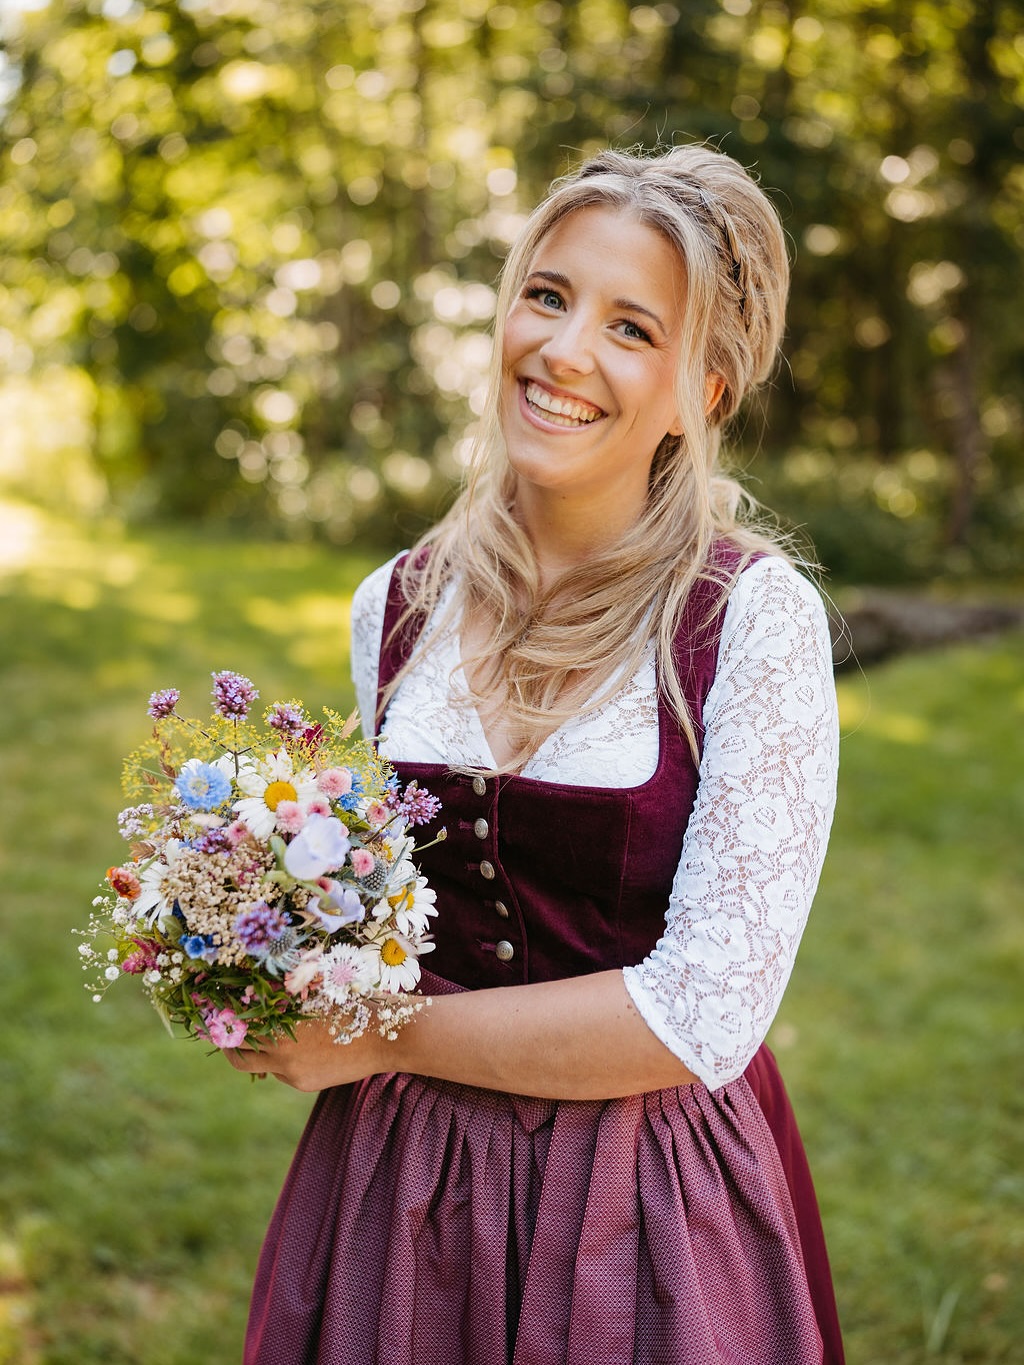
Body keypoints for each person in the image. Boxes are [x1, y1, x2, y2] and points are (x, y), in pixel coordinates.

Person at [227, 143, 845, 1365]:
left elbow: (700, 1015)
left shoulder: (750, 620)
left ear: (703, 390)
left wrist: (378, 1035)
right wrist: (248, 953)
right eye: (548, 296)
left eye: (631, 328)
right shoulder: (395, 604)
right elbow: (385, 914)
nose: (563, 352)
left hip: (642, 1205)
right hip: (403, 1192)